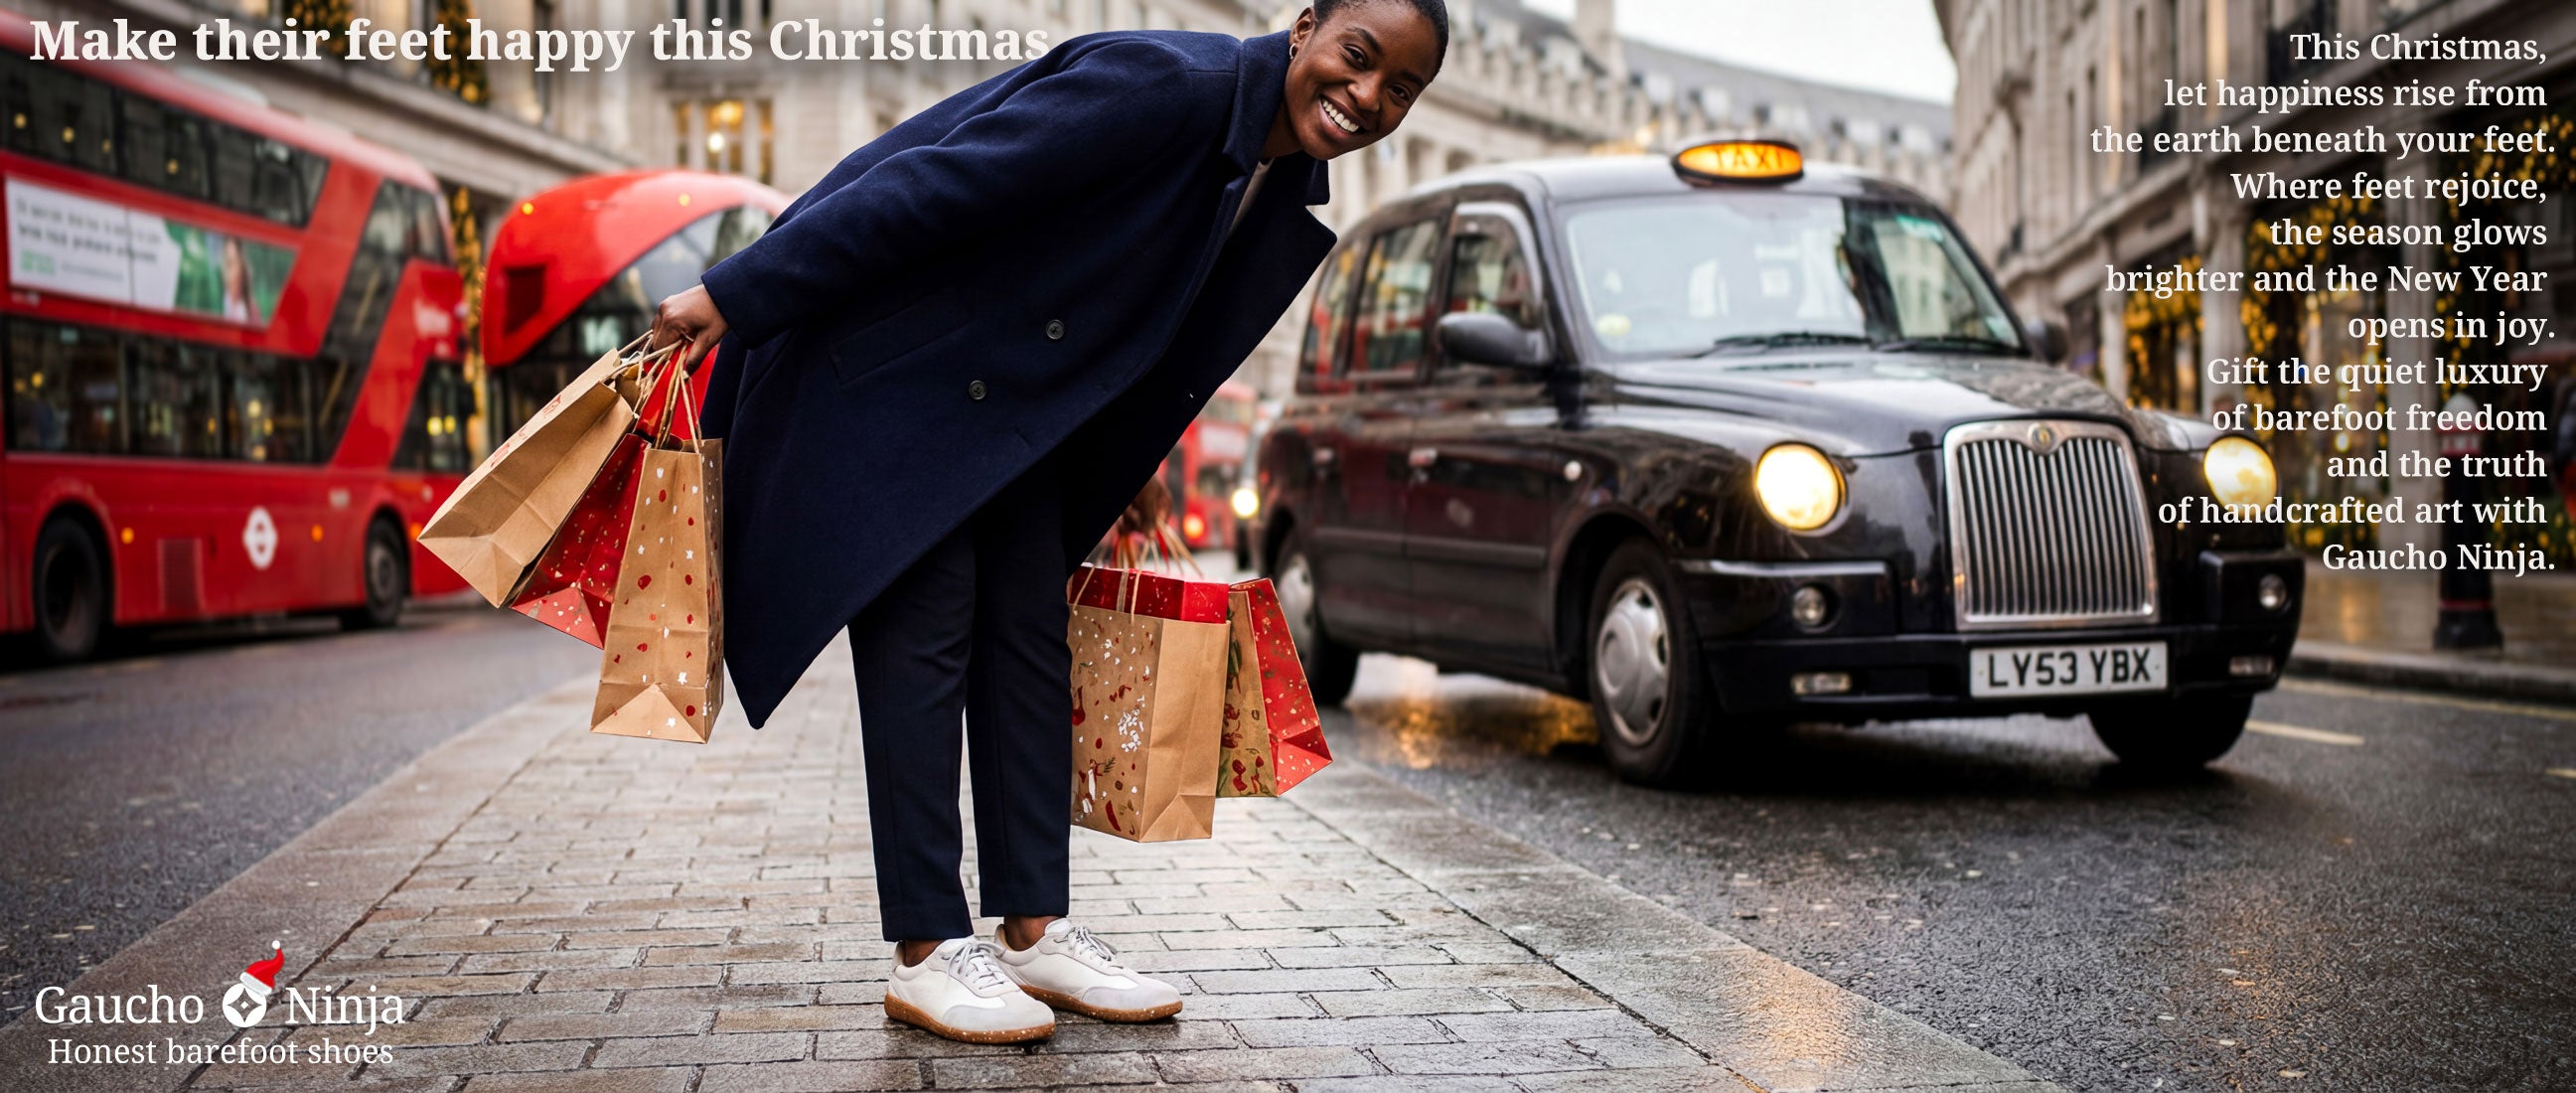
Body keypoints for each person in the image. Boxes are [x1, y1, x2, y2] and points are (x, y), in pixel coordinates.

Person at [647, 0, 1447, 1045]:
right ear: (1303, 29)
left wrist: (1131, 465)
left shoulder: (1275, 167)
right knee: (925, 635)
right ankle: (927, 948)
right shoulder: (1168, 86)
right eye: (1358, 57)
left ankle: (1032, 925)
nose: (1368, 97)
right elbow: (931, 177)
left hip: (1011, 405)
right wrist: (738, 290)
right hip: (901, 372)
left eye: (1400, 90)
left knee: (1028, 639)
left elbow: (1142, 322)